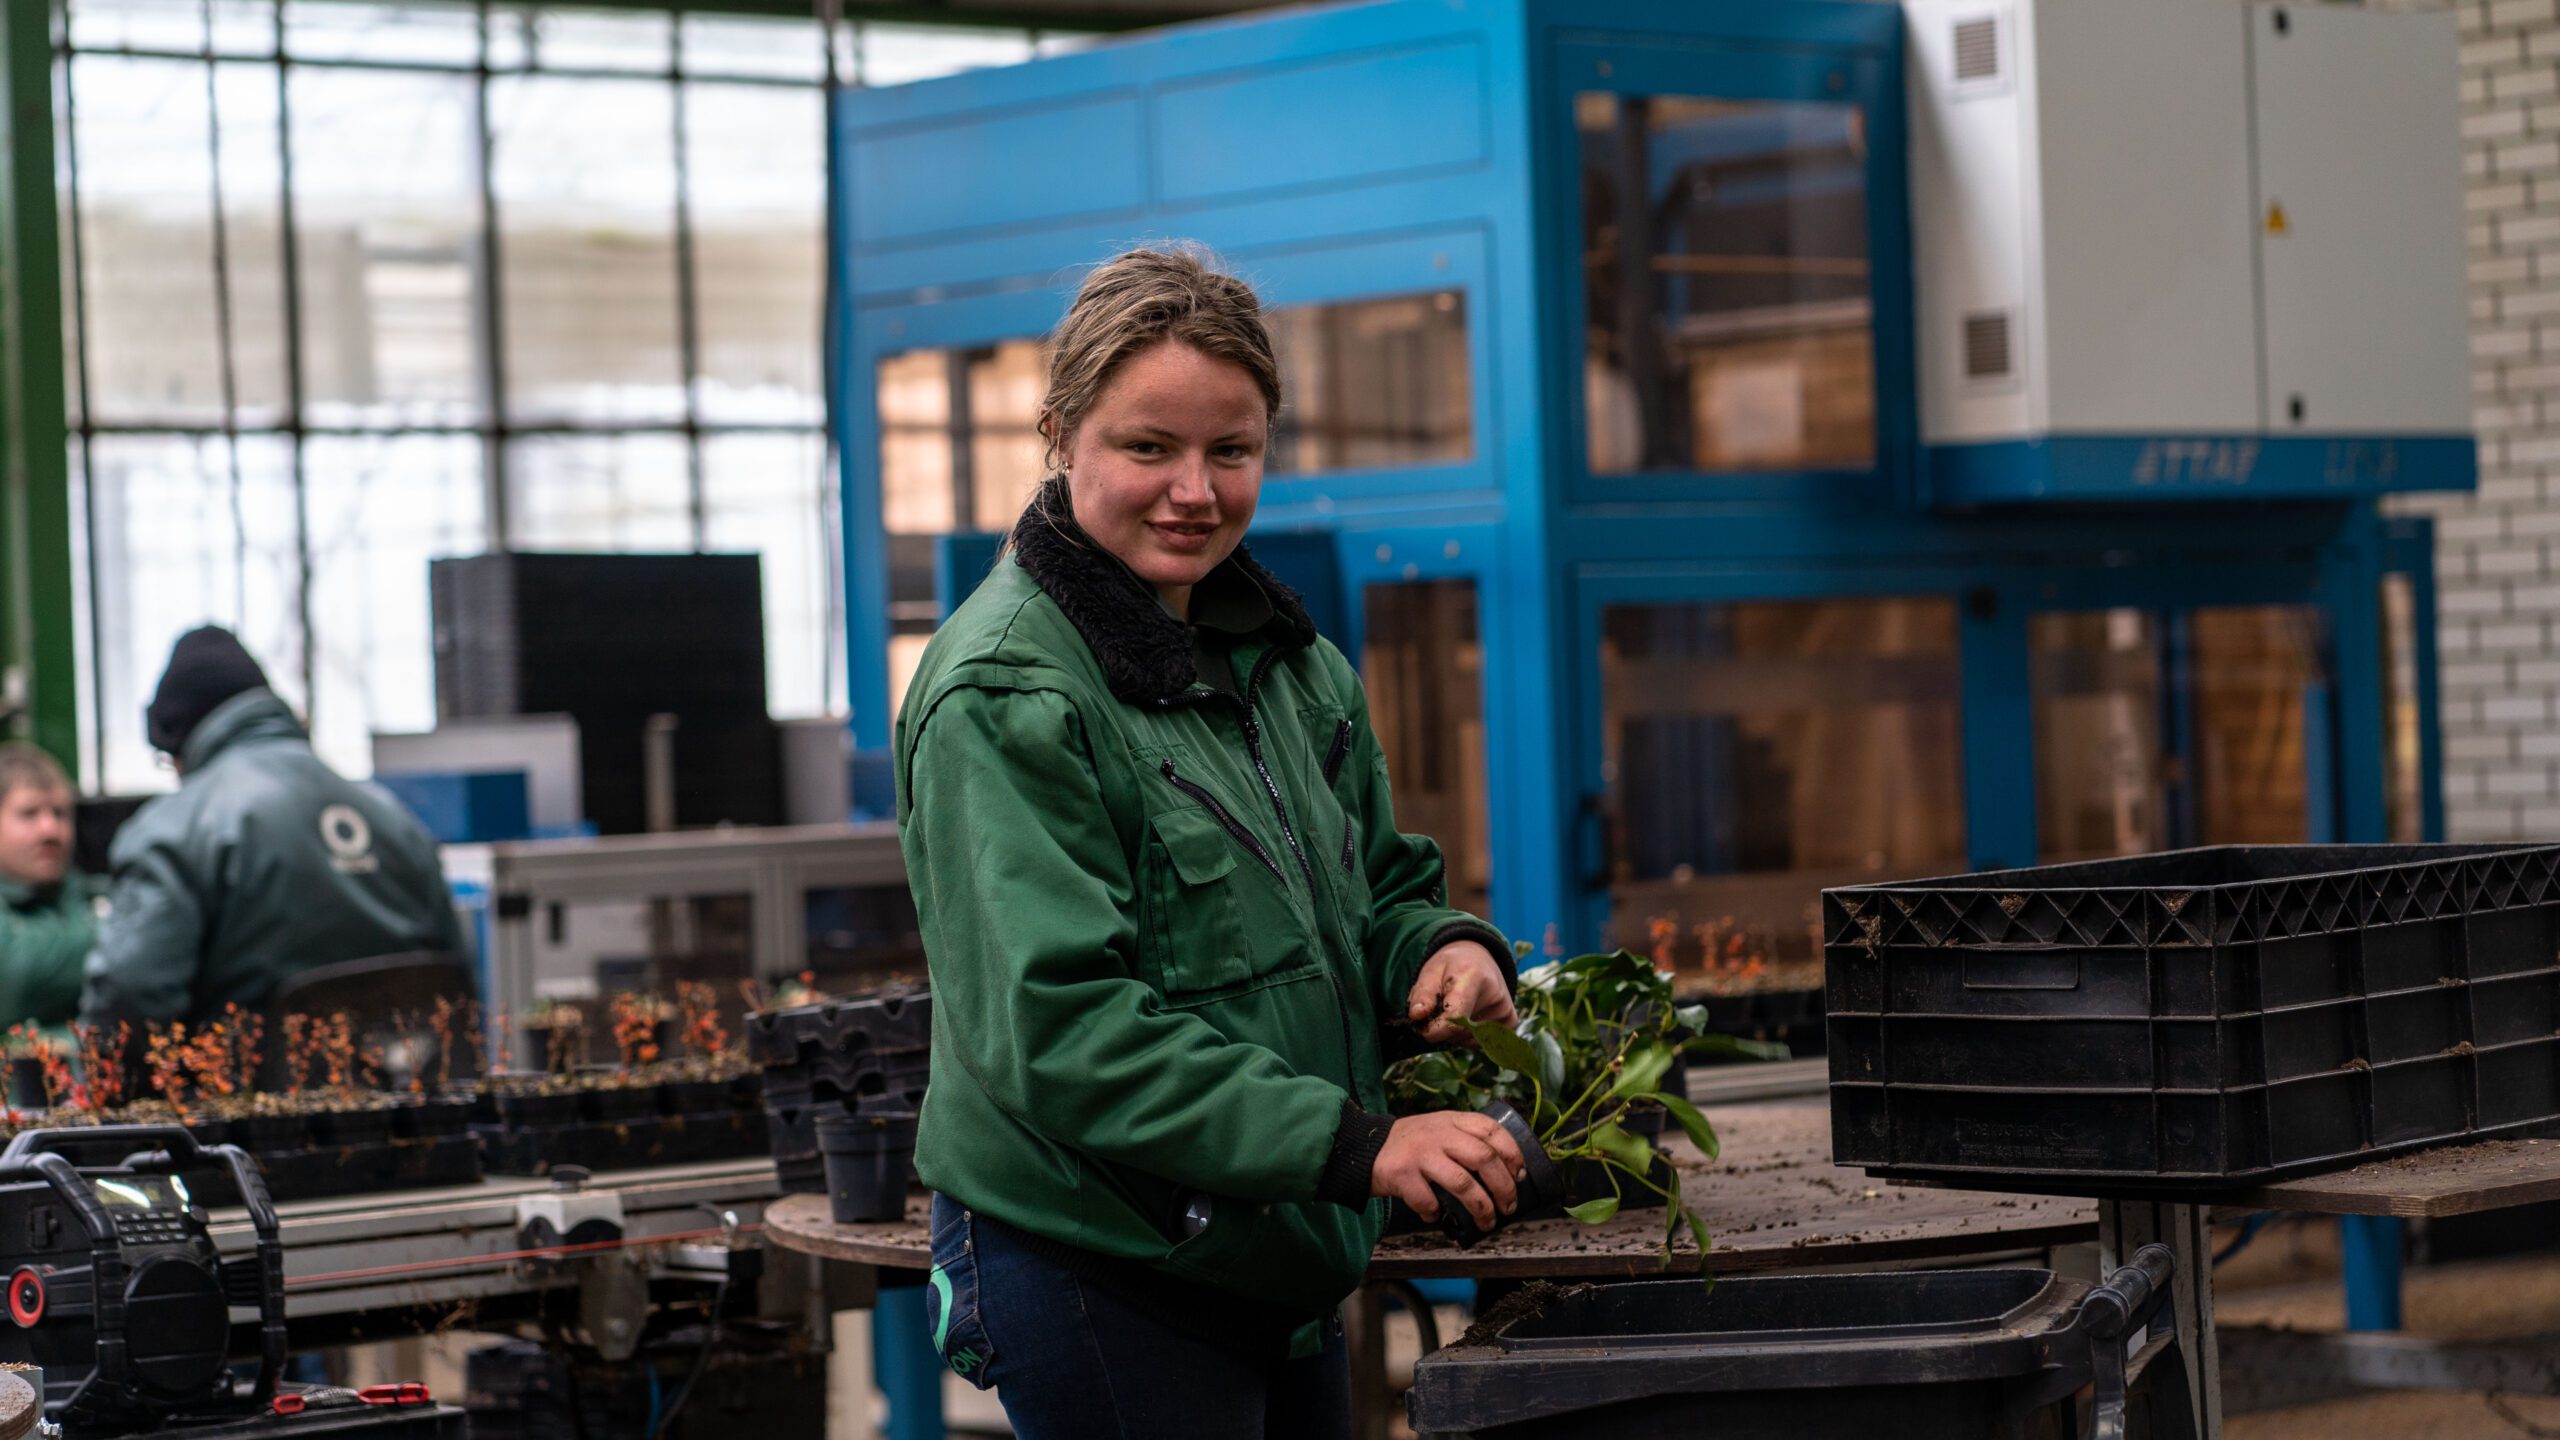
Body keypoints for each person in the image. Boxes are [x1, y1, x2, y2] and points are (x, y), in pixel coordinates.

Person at [894, 247, 1527, 1439]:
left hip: (1268, 1239)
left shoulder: (1285, 668)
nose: (1195, 490)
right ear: (1060, 433)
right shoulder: (1007, 695)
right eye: (1149, 449)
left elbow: (1377, 888)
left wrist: (1435, 952)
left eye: (1230, 452)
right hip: (1106, 1256)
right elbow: (1061, 1027)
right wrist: (1354, 1144)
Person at [79, 626, 465, 1030]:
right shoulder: (395, 817)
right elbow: (454, 975)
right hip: (402, 1082)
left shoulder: (175, 830)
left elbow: (128, 999)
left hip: (241, 1088)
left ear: (179, 744)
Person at [0, 743, 98, 1029]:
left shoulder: (89, 892)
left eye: (60, 813)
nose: (50, 830)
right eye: (29, 813)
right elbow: (13, 975)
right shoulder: (104, 909)